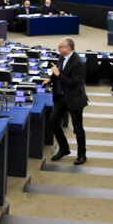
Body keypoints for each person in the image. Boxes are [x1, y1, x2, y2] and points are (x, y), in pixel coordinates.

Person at [41, 37, 88, 165]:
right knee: (53, 122)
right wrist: (50, 79)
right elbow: (59, 70)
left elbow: (73, 83)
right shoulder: (62, 57)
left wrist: (57, 74)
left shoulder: (78, 63)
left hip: (74, 98)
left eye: (60, 46)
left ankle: (82, 155)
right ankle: (64, 148)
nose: (58, 48)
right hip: (61, 97)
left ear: (68, 48)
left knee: (78, 129)